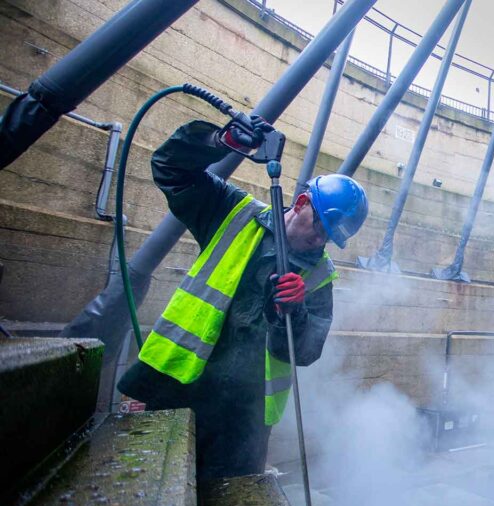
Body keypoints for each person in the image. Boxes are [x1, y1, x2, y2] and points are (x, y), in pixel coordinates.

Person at [117, 116, 368, 479]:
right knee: (143, 484)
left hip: (244, 417)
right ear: (300, 203)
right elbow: (169, 168)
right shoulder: (232, 212)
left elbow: (307, 352)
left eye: (329, 237)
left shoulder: (319, 275)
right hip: (173, 384)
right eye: (319, 226)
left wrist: (294, 314)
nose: (319, 240)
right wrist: (221, 140)